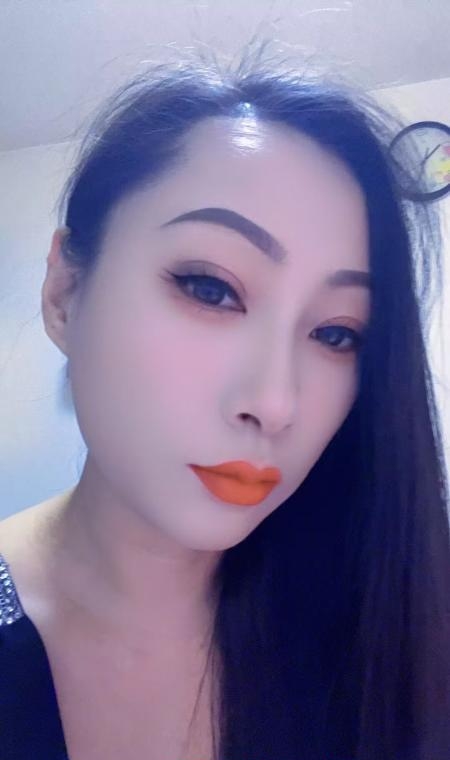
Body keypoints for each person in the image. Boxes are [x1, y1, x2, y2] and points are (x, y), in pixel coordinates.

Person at [1, 42, 449, 760]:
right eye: (210, 289)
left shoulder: (395, 638)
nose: (275, 404)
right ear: (64, 293)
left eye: (337, 333)